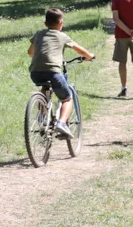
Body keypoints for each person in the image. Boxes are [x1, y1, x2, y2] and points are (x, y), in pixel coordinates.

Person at [28, 8, 96, 139]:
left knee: (45, 87)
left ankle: (42, 117)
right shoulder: (62, 36)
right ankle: (62, 123)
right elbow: (79, 50)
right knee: (67, 98)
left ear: (45, 23)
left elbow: (30, 53)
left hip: (35, 73)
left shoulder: (38, 34)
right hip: (54, 73)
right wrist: (89, 56)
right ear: (61, 23)